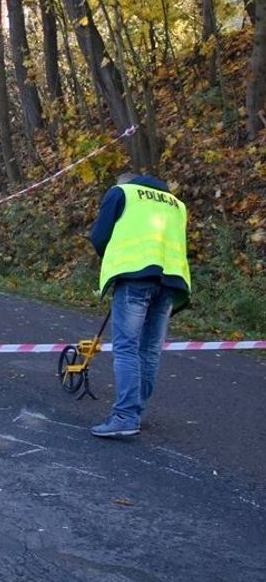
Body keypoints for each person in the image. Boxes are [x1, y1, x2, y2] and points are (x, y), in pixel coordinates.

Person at [87, 172, 191, 438]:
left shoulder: (122, 193)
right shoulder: (176, 204)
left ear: (125, 182)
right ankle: (136, 410)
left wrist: (116, 261)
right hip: (170, 281)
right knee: (150, 350)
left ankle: (125, 416)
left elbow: (99, 236)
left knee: (126, 348)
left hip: (135, 278)